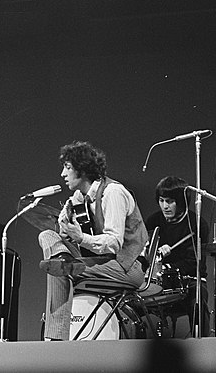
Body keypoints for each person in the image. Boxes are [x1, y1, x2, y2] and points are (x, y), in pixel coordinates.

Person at [37, 141, 148, 341]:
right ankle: (63, 262)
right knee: (47, 236)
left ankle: (54, 338)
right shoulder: (81, 196)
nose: (63, 174)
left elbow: (114, 242)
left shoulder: (113, 192)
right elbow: (64, 221)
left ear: (83, 170)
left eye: (68, 168)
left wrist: (81, 238)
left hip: (127, 266)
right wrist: (64, 223)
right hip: (103, 262)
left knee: (61, 269)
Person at [144, 176, 210, 337]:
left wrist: (167, 266)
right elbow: (144, 253)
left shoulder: (197, 224)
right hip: (157, 282)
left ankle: (202, 344)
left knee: (198, 294)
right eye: (161, 200)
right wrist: (155, 252)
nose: (165, 206)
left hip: (188, 280)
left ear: (181, 201)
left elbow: (195, 264)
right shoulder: (153, 221)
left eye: (170, 201)